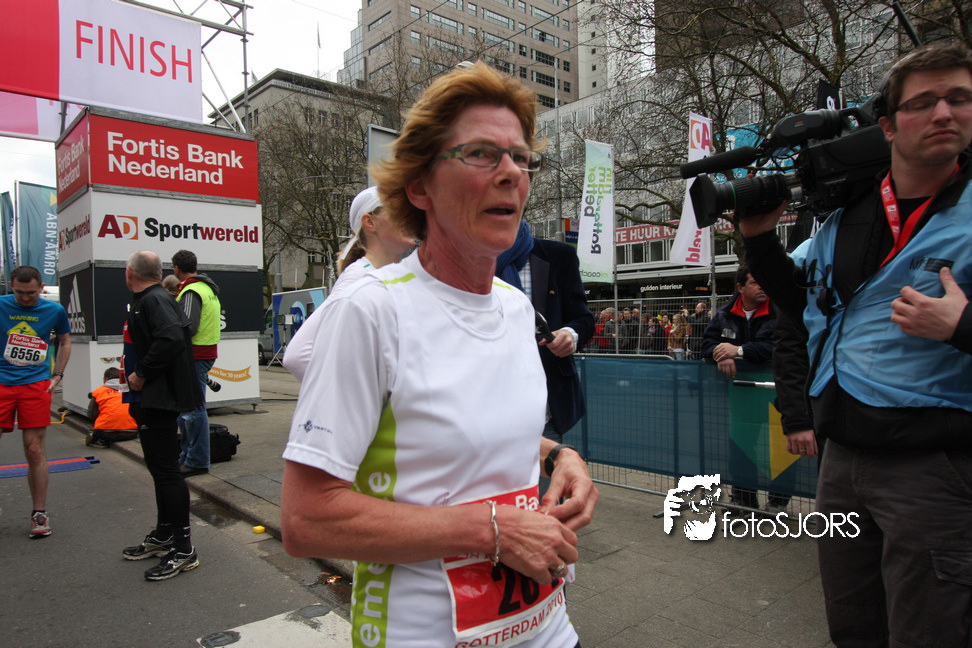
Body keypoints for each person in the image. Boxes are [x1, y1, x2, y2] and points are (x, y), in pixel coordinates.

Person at [280, 61, 598, 648]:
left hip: (547, 627)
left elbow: (465, 432)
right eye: (481, 154)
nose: (511, 172)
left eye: (520, 157)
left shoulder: (515, 308)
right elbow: (306, 520)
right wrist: (492, 530)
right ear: (420, 187)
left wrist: (559, 457)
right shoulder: (371, 312)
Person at [739, 43, 972, 647]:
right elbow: (802, 303)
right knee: (851, 625)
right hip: (841, 460)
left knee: (929, 632)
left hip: (933, 465)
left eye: (959, 98)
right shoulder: (847, 215)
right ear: (888, 125)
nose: (944, 112)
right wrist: (759, 239)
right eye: (923, 102)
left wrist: (962, 325)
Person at [495, 220, 595, 494]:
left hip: (544, 409)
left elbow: (584, 319)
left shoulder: (558, 255)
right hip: (489, 406)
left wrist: (570, 334)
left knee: (545, 501)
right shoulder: (470, 260)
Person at [122, 250, 203, 581]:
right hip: (150, 398)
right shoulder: (149, 299)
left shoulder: (154, 300)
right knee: (159, 469)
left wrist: (142, 372)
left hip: (159, 398)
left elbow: (171, 338)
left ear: (130, 273)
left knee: (167, 471)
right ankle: (164, 534)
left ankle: (183, 549)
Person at [283, 186, 415, 382]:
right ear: (370, 222)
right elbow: (297, 355)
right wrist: (354, 394)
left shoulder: (392, 277)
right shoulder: (359, 276)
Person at [701, 265, 779, 511]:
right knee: (741, 446)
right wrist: (720, 354)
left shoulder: (780, 312)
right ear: (740, 287)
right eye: (755, 282)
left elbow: (780, 346)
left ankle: (778, 502)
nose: (762, 287)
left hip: (778, 392)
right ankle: (743, 498)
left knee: (780, 447)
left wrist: (739, 351)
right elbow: (707, 343)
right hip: (741, 392)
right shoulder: (725, 314)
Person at [0, 266, 71, 538]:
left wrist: (58, 375)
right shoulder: (2, 305)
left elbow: (65, 341)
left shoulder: (54, 310)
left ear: (41, 287)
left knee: (34, 449)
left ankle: (39, 513)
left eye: (31, 293)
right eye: (20, 292)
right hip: (2, 383)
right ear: (11, 285)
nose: (26, 298)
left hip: (35, 383)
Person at [171, 250, 221, 476]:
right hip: (203, 352)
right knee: (191, 409)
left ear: (176, 269)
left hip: (194, 354)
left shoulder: (191, 291)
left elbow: (188, 327)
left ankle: (196, 460)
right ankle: (188, 457)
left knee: (192, 410)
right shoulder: (207, 288)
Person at [84, 367, 137, 449]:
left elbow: (91, 414)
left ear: (106, 379)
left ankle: (100, 440)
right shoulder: (130, 389)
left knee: (99, 430)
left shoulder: (99, 391)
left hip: (105, 432)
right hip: (131, 432)